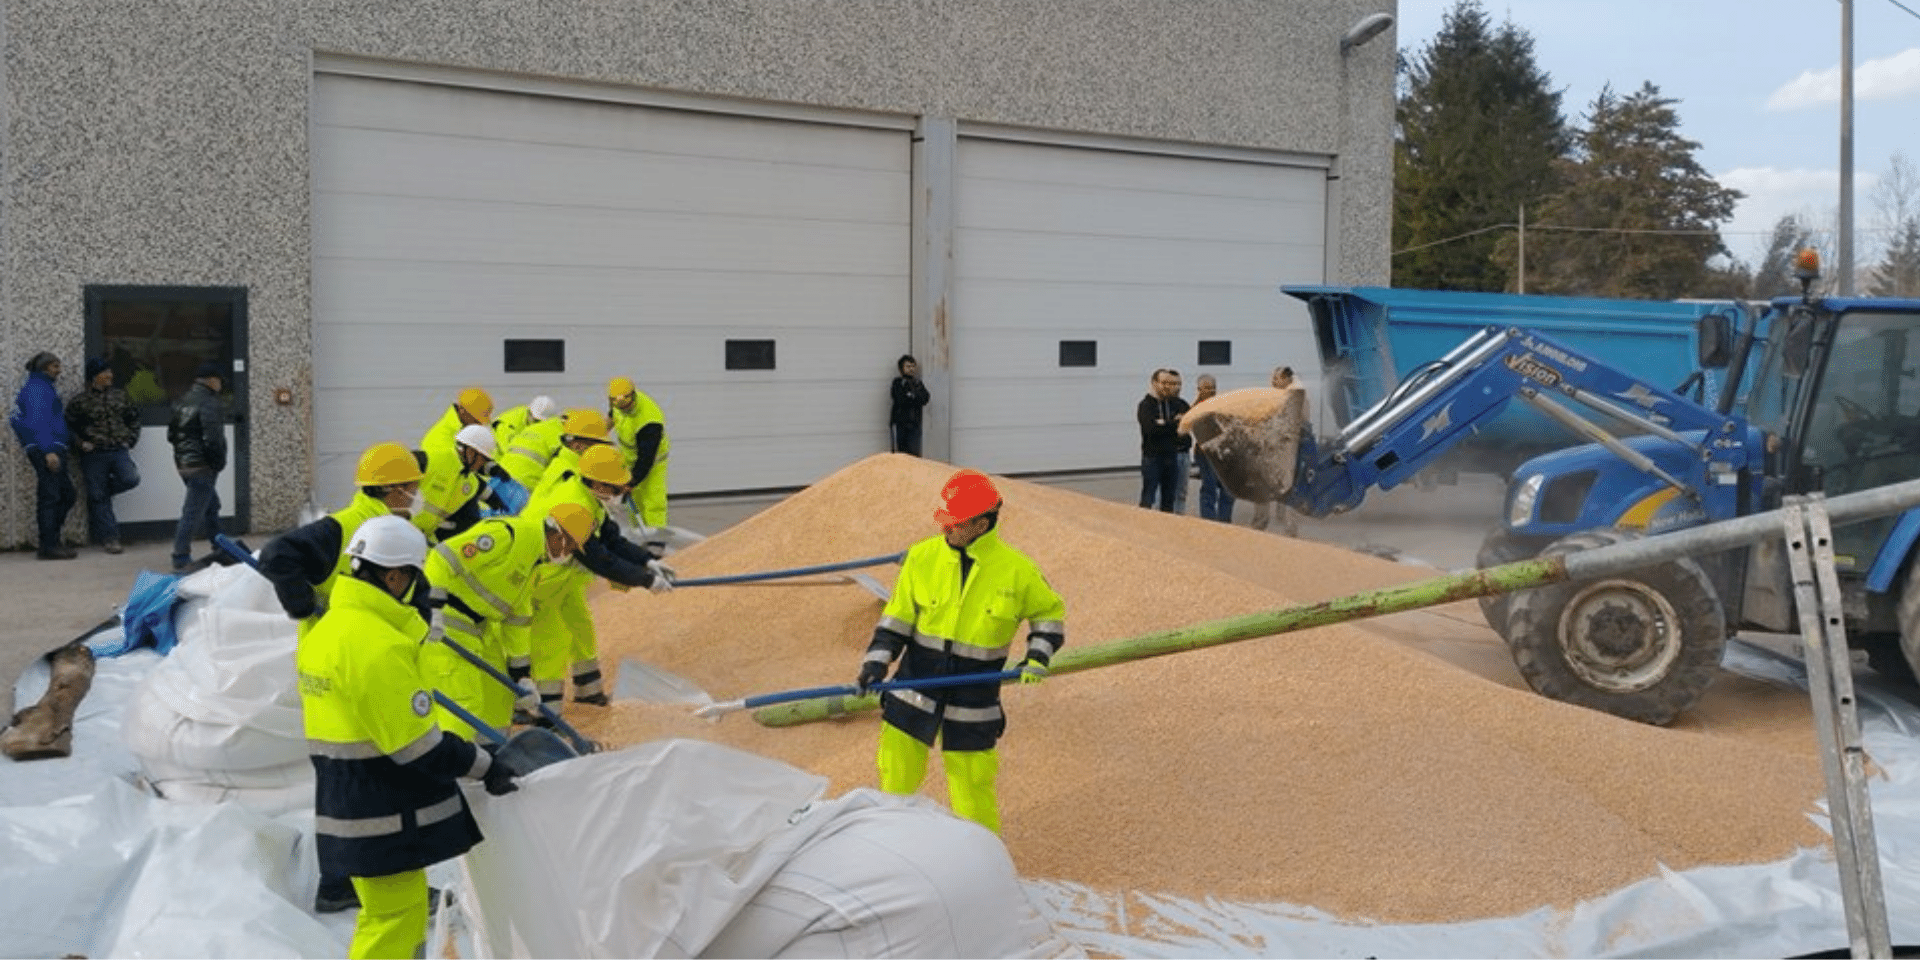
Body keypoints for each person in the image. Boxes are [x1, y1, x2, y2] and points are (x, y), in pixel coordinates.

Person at [297, 514, 517, 959]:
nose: (419, 591)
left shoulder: (328, 631)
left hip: (347, 796)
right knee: (391, 921)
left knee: (403, 909)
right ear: (395, 575)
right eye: (415, 579)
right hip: (378, 807)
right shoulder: (376, 645)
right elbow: (418, 747)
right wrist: (485, 765)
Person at [259, 440, 426, 916]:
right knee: (361, 779)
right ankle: (348, 883)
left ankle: (346, 882)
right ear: (393, 489)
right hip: (344, 663)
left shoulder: (386, 525)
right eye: (411, 485)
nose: (417, 492)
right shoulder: (345, 527)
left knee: (352, 778)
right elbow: (276, 557)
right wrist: (306, 605)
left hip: (358, 659)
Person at [854, 469, 1064, 834]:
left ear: (982, 523)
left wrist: (1037, 656)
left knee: (972, 795)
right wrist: (875, 664)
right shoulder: (921, 558)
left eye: (955, 523)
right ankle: (895, 852)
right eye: (944, 521)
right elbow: (897, 620)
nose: (945, 529)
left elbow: (1049, 616)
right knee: (895, 789)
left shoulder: (1018, 571)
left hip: (973, 703)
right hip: (911, 693)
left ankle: (981, 862)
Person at [420, 502, 593, 741]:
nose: (569, 553)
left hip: (479, 627)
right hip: (447, 619)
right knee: (465, 699)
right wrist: (434, 608)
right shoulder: (509, 535)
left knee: (500, 693)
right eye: (571, 546)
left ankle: (494, 752)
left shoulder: (534, 563)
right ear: (558, 534)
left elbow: (518, 620)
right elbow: (443, 557)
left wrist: (522, 675)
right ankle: (456, 768)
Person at [523, 444, 673, 712]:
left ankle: (588, 691)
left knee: (582, 628)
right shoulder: (573, 504)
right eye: (617, 489)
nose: (622, 495)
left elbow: (612, 540)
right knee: (551, 644)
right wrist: (645, 580)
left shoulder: (592, 500)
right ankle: (542, 713)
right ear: (597, 483)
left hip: (562, 581)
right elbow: (598, 558)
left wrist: (646, 560)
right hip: (538, 582)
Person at [65, 357, 142, 553]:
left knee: (130, 479)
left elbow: (134, 419)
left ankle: (101, 493)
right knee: (98, 498)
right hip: (94, 455)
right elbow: (68, 427)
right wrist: (81, 444)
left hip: (118, 450)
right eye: (104, 372)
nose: (109, 375)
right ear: (94, 377)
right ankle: (111, 538)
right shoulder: (79, 402)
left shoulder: (121, 396)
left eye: (110, 371)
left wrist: (130, 440)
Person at [11, 352, 76, 559]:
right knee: (52, 496)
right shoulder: (37, 389)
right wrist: (48, 450)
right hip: (47, 448)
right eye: (55, 366)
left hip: (50, 446)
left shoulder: (42, 387)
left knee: (64, 494)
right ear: (45, 367)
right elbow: (37, 421)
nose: (59, 370)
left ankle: (51, 541)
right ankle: (49, 545)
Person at [167, 362, 228, 572]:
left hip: (185, 464)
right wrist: (218, 462)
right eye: (219, 380)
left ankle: (220, 546)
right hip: (202, 465)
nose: (220, 385)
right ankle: (180, 555)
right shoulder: (209, 402)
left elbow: (171, 435)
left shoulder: (182, 401)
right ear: (211, 380)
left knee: (212, 505)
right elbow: (213, 438)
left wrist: (183, 457)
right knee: (193, 511)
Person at [411, 424, 507, 544]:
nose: (482, 465)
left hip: (423, 539)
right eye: (483, 459)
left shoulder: (471, 481)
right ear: (471, 452)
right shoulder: (431, 460)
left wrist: (504, 511)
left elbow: (490, 497)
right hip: (401, 530)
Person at [606, 376, 671, 554]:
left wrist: (630, 482)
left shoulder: (649, 420)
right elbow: (611, 418)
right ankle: (639, 538)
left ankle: (657, 544)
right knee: (633, 502)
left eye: (626, 404)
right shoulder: (618, 402)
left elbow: (646, 459)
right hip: (629, 459)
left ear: (632, 396)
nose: (622, 408)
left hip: (652, 462)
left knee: (652, 502)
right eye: (617, 404)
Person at [1250, 366, 1306, 537]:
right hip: (1269, 451)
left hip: (1286, 451)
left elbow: (1299, 423)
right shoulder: (1272, 397)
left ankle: (1289, 530)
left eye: (1277, 378)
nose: (1273, 382)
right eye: (1273, 378)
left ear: (1287, 379)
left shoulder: (1295, 397)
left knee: (1287, 490)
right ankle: (1260, 525)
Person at [1135, 368, 1188, 513]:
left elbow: (1183, 429)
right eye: (1163, 382)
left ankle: (1166, 530)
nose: (1167, 386)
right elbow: (1151, 429)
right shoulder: (1146, 405)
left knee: (1169, 499)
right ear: (1154, 383)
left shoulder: (1174, 404)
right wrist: (1172, 423)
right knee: (1149, 497)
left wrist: (1164, 423)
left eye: (1170, 383)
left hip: (1171, 457)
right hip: (1152, 458)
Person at [1191, 374, 1234, 523]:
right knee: (1209, 487)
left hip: (1224, 453)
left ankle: (1224, 521)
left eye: (1213, 387)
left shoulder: (1220, 405)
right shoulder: (1197, 408)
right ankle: (1209, 522)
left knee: (1228, 488)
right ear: (1199, 389)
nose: (1211, 390)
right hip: (1207, 454)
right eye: (1207, 387)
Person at [420, 387, 493, 458]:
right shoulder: (437, 440)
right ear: (462, 411)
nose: (480, 424)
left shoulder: (469, 432)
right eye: (476, 420)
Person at [490, 394, 556, 460]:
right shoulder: (509, 424)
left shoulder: (532, 420)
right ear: (529, 413)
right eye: (535, 420)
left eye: (540, 422)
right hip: (496, 455)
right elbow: (506, 451)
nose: (536, 424)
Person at [889, 354, 931, 457]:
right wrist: (914, 397)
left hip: (915, 426)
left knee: (914, 455)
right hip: (900, 425)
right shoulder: (898, 383)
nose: (911, 369)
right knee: (900, 455)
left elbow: (925, 398)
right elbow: (900, 399)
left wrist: (912, 396)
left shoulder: (918, 383)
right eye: (908, 366)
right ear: (901, 369)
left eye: (913, 366)